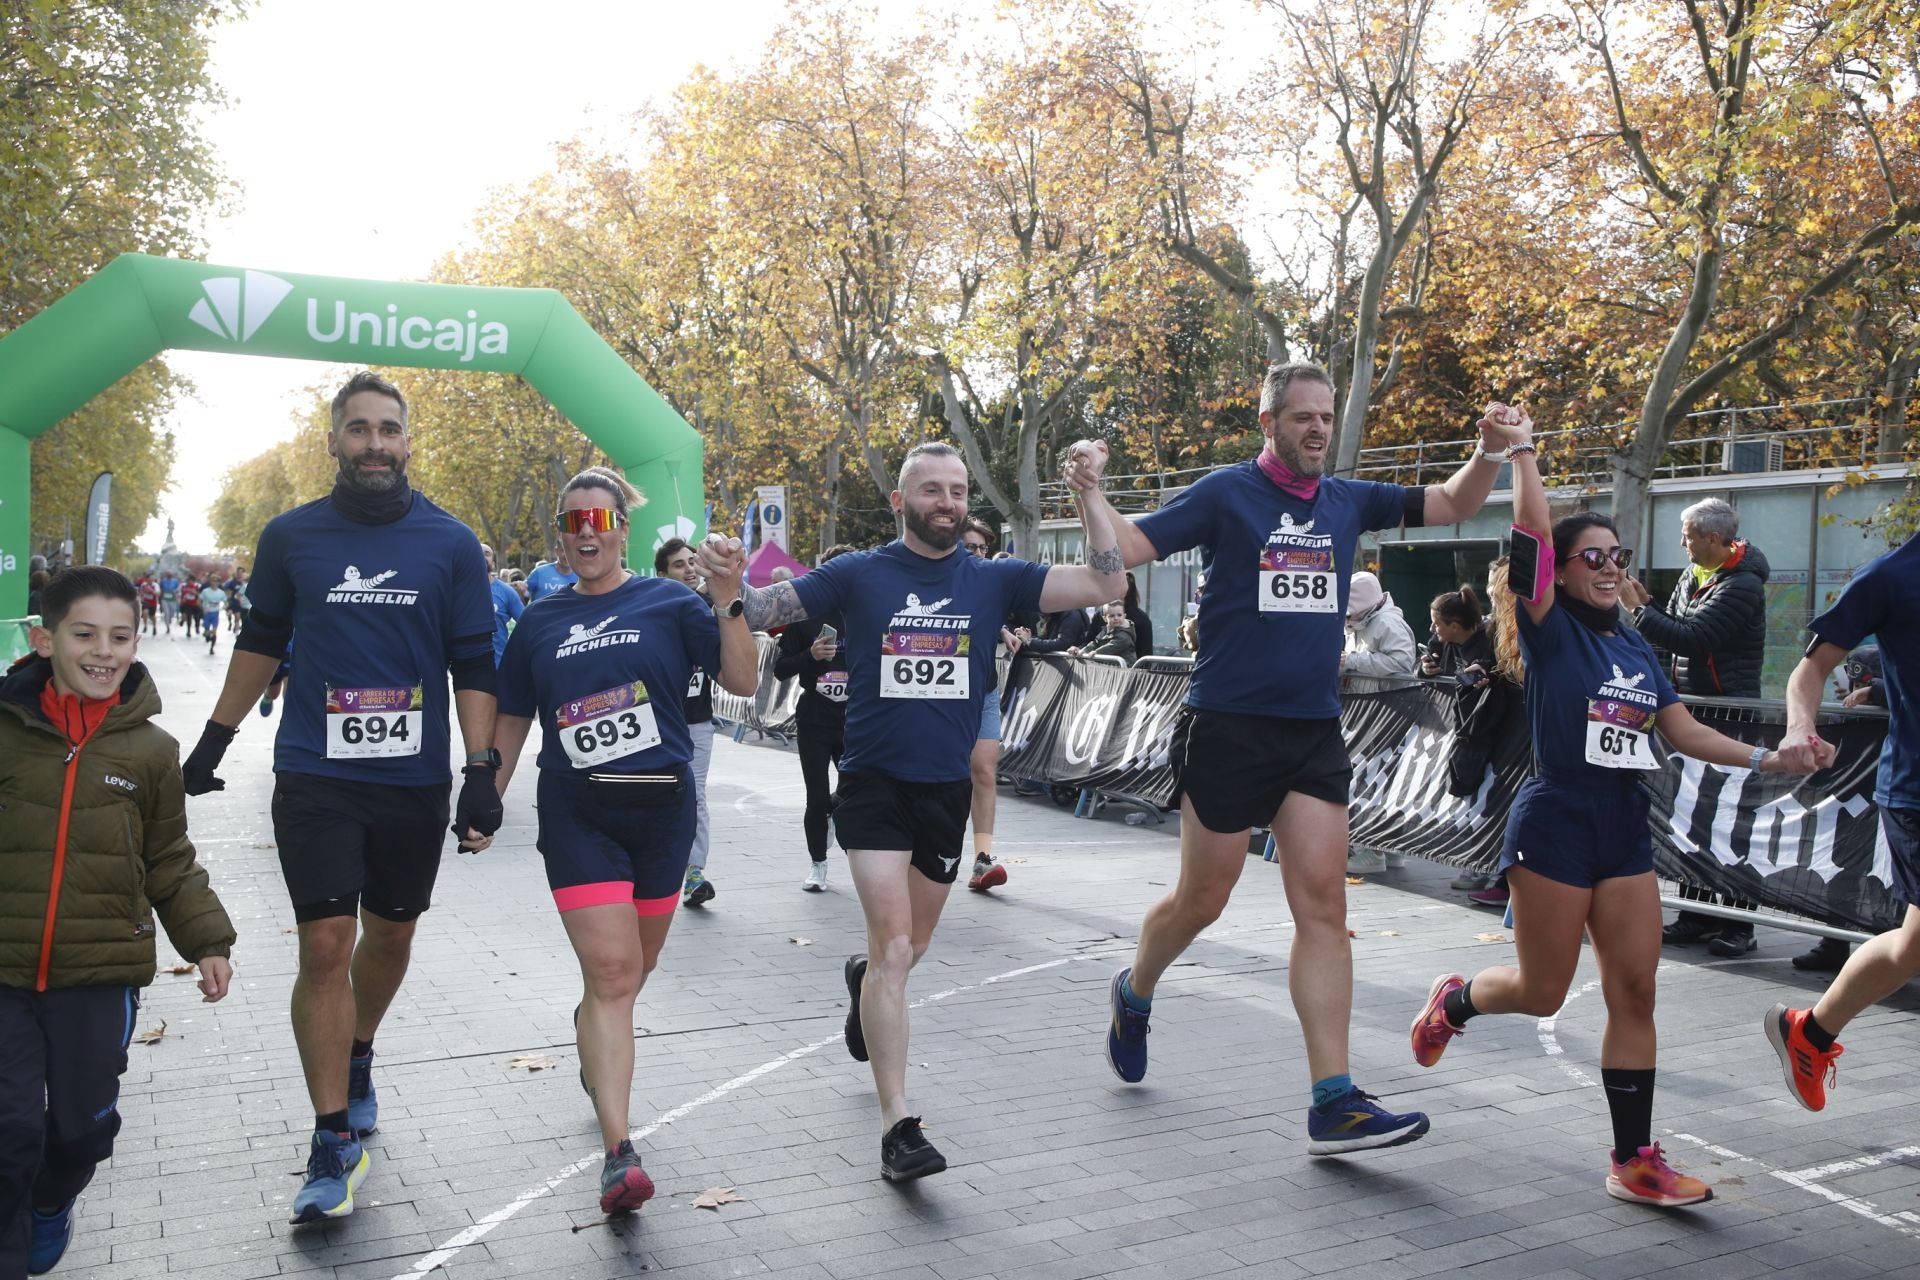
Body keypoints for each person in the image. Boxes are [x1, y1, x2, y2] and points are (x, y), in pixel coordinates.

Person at [1070, 360, 1530, 1156]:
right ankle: (1135, 990)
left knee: (1324, 909)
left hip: (1312, 731)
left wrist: (1490, 448)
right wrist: (1088, 492)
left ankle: (1333, 1100)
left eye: (1325, 417)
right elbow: (1128, 550)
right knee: (1200, 902)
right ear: (1269, 423)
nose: (1317, 428)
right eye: (1302, 417)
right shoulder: (1226, 493)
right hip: (1226, 725)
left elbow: (1455, 502)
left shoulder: (1349, 499)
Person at [1407, 413, 1823, 1207]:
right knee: (1541, 991)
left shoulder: (1633, 643)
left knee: (1636, 992)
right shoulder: (1549, 627)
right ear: (1560, 573)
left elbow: (1683, 728)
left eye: (1617, 557)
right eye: (1590, 557)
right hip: (1556, 819)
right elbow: (1529, 534)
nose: (1607, 568)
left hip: (1623, 824)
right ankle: (1456, 1000)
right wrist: (1526, 454)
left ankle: (1634, 1160)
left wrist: (1773, 757)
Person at [705, 440, 1127, 1181]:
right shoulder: (859, 573)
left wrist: (1090, 493)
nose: (948, 503)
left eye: (958, 491)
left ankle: (863, 981)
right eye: (931, 490)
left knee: (906, 953)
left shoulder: (995, 579)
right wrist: (730, 589)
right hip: (871, 783)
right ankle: (899, 1124)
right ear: (901, 502)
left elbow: (1104, 584)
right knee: (898, 949)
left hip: (943, 791)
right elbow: (767, 609)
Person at [177, 371, 502, 1225]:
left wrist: (482, 773)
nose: (374, 444)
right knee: (325, 943)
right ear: (333, 441)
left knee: (389, 935)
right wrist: (214, 739)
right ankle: (331, 1139)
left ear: (406, 441)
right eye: (357, 429)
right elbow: (262, 639)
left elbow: (475, 662)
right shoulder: (290, 537)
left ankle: (358, 1051)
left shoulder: (452, 543)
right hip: (315, 775)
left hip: (412, 781)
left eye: (388, 430)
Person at [475, 467, 756, 1215]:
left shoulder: (668, 601)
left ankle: (590, 1028)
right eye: (572, 524)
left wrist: (728, 597)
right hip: (579, 811)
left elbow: (743, 679)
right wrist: (485, 796)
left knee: (633, 970)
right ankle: (618, 1153)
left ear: (622, 531)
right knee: (610, 969)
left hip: (661, 812)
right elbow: (512, 715)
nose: (585, 536)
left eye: (599, 523)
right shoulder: (539, 620)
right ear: (561, 535)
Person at [0, 567, 235, 1278]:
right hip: (4, 971)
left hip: (100, 975)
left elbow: (168, 857)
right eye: (84, 635)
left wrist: (208, 939)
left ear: (138, 643)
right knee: (7, 1132)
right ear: (44, 639)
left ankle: (52, 1199)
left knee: (82, 1133)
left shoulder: (153, 753)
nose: (103, 651)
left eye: (120, 637)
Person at [1763, 530, 1918, 1114]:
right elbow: (1810, 671)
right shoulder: (1890, 576)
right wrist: (1799, 726)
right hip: (1917, 791)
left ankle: (1811, 1032)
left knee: (1911, 948)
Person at [1621, 497, 1771, 957]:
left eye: (1686, 535)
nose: (1681, 543)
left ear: (1712, 537)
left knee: (1730, 816)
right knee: (1695, 813)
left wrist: (1639, 611)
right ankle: (1698, 911)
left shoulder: (1743, 585)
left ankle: (1739, 923)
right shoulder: (1693, 575)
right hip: (1698, 708)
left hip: (1732, 713)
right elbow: (1672, 632)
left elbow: (1693, 636)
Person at [774, 545, 858, 891]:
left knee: (858, 793)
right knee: (816, 795)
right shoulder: (804, 616)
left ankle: (840, 821)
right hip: (815, 716)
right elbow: (779, 669)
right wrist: (810, 655)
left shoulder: (868, 612)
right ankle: (818, 865)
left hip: (855, 717)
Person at [655, 538, 721, 908]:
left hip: (696, 721)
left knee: (695, 795)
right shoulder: (651, 611)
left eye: (692, 562)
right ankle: (655, 870)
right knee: (658, 796)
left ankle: (695, 873)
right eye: (679, 565)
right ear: (662, 573)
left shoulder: (713, 607)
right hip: (657, 723)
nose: (689, 569)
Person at [960, 517, 1018, 892]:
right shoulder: (931, 581)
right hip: (940, 698)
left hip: (983, 691)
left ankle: (982, 860)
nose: (979, 555)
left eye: (983, 548)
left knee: (984, 770)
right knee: (944, 777)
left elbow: (986, 617)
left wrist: (1002, 630)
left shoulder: (991, 583)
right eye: (971, 548)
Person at [1342, 571, 1418, 678]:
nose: (1345, 621)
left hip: (1389, 694)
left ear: (1361, 604)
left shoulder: (1388, 622)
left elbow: (1401, 664)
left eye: (1348, 615)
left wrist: (1351, 660)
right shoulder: (1358, 622)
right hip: (1364, 694)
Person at [482, 544, 523, 667]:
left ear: (493, 564)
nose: (481, 556)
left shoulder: (506, 591)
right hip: (465, 667)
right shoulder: (457, 590)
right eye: (477, 552)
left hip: (498, 666)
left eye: (487, 553)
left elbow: (527, 624)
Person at [1075, 600, 1138, 666]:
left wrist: (1096, 652)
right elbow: (1096, 642)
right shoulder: (1106, 629)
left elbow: (1112, 647)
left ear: (1124, 616)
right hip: (1111, 668)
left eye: (1119, 615)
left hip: (1125, 669)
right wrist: (1084, 650)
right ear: (1105, 619)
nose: (1116, 618)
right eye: (1111, 616)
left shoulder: (1125, 634)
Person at [198, 581, 227, 655]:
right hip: (207, 614)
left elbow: (226, 602)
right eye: (213, 581)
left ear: (218, 583)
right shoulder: (205, 591)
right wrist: (202, 608)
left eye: (216, 581)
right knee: (207, 632)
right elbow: (199, 601)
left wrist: (224, 606)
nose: (214, 583)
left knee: (214, 632)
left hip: (215, 613)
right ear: (210, 582)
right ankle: (207, 634)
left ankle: (212, 648)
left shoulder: (221, 592)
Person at [157, 570, 180, 636]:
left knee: (172, 612)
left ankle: (170, 619)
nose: (169, 575)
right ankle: (167, 627)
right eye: (168, 574)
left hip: (172, 599)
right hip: (165, 599)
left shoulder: (175, 581)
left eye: (170, 574)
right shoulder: (163, 581)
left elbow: (178, 589)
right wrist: (160, 598)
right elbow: (160, 589)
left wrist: (175, 591)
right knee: (166, 613)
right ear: (166, 575)